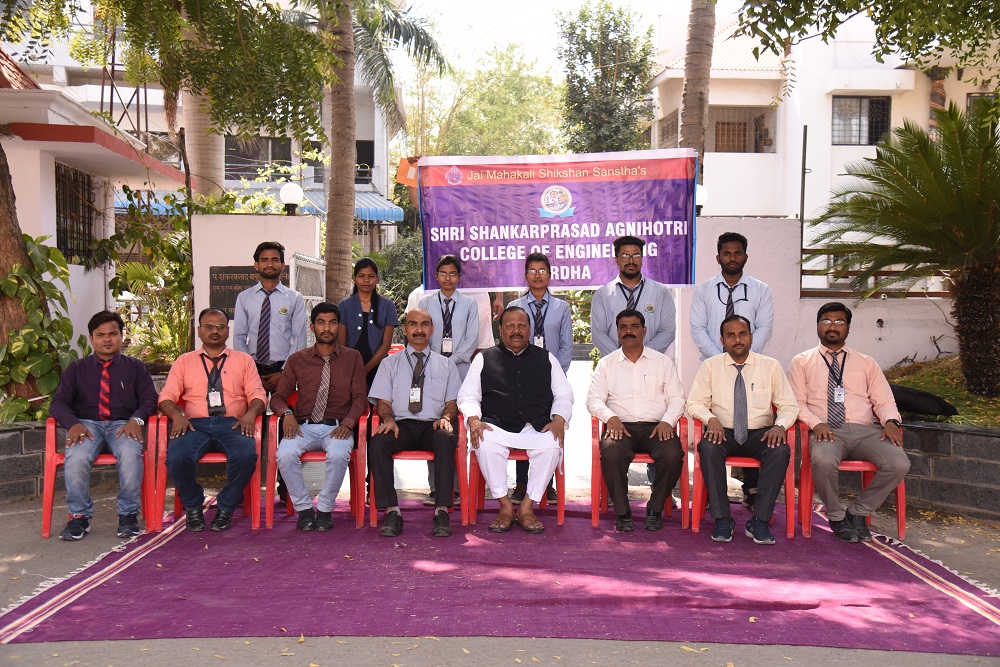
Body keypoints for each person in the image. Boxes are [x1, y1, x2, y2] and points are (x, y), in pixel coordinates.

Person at [788, 302, 909, 543]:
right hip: (826, 431)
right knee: (823, 460)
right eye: (826, 321)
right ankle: (836, 515)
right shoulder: (801, 361)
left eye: (839, 322)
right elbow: (796, 403)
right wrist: (816, 424)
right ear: (817, 326)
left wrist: (891, 421)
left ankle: (857, 512)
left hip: (865, 431)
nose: (832, 326)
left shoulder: (866, 362)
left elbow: (884, 400)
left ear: (848, 327)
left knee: (899, 463)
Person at [458, 307, 574, 534]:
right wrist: (473, 418)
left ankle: (527, 507)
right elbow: (468, 396)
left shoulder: (546, 358)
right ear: (500, 329)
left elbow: (564, 395)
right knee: (484, 442)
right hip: (497, 425)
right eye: (510, 326)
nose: (516, 331)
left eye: (521, 326)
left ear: (529, 329)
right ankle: (505, 506)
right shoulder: (484, 358)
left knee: (552, 444)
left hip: (535, 426)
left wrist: (559, 418)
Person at [686, 315, 798, 545]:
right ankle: (722, 519)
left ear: (751, 337)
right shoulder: (710, 366)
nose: (737, 339)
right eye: (730, 335)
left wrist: (780, 426)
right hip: (723, 431)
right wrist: (710, 419)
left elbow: (789, 406)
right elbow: (694, 403)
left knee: (780, 450)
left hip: (760, 433)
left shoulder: (770, 366)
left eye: (742, 334)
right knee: (708, 447)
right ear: (722, 340)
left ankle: (760, 521)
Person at [49, 311, 158, 540]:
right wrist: (73, 423)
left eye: (113, 334)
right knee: (76, 456)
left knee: (130, 454)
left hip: (124, 425)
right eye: (100, 335)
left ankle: (128, 515)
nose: (107, 339)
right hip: (87, 427)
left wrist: (136, 420)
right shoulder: (77, 369)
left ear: (121, 336)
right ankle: (79, 517)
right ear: (91, 338)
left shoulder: (136, 367)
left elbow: (150, 400)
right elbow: (58, 403)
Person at [159, 308, 267, 532]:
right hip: (194, 425)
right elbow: (166, 397)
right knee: (176, 457)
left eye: (220, 327)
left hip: (233, 423)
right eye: (208, 327)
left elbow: (258, 394)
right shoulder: (184, 361)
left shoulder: (244, 360)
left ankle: (226, 506)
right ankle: (193, 505)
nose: (214, 331)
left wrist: (250, 414)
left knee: (246, 456)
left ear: (228, 331)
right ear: (199, 330)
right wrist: (177, 416)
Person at [689, 231, 774, 511]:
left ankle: (752, 488)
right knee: (717, 425)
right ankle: (714, 493)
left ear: (745, 256)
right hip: (713, 366)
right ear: (718, 257)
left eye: (737, 253)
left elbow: (764, 327)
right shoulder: (704, 290)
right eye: (727, 253)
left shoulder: (761, 289)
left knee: (750, 420)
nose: (732, 258)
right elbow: (698, 328)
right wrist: (722, 359)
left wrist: (745, 355)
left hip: (751, 365)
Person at [271, 303, 368, 532]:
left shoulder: (353, 358)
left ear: (339, 326)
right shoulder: (297, 359)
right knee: (284, 454)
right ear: (312, 327)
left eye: (332, 323)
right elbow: (278, 398)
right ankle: (304, 509)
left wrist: (348, 423)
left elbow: (360, 398)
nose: (327, 328)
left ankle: (324, 509)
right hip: (303, 427)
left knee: (338, 454)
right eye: (321, 323)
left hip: (337, 427)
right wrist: (287, 414)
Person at [586, 309, 686, 532]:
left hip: (656, 427)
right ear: (617, 332)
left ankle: (655, 508)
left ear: (644, 330)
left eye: (634, 326)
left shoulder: (662, 362)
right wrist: (610, 418)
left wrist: (667, 421)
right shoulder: (606, 364)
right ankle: (622, 512)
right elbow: (593, 399)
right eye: (623, 327)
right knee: (611, 453)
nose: (628, 331)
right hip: (621, 427)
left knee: (672, 454)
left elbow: (677, 399)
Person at [367, 308, 463, 538]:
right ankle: (392, 511)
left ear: (432, 329)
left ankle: (441, 510)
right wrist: (388, 419)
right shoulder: (389, 364)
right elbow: (382, 402)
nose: (419, 329)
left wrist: (445, 418)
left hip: (433, 425)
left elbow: (452, 403)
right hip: (400, 425)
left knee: (446, 438)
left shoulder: (446, 365)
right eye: (413, 324)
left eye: (424, 324)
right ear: (405, 329)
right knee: (378, 442)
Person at [508, 252, 573, 504]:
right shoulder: (515, 307)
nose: (537, 275)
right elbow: (509, 341)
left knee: (549, 429)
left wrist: (555, 375)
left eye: (542, 270)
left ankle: (547, 485)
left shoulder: (561, 308)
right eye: (532, 271)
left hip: (551, 380)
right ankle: (521, 484)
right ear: (525, 275)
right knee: (522, 426)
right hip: (520, 376)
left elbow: (566, 346)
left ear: (549, 275)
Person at [418, 254, 479, 506]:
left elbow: (471, 339)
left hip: (461, 371)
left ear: (459, 277)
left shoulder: (469, 304)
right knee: (432, 424)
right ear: (436, 276)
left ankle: (457, 487)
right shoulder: (425, 302)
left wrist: (450, 360)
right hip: (431, 372)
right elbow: (421, 336)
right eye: (443, 273)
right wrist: (436, 362)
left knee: (458, 427)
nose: (448, 278)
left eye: (453, 274)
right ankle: (435, 488)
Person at [232, 241, 308, 393]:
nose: (270, 264)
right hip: (253, 369)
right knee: (254, 408)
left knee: (283, 407)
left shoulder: (295, 298)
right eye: (264, 260)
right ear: (256, 265)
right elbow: (239, 337)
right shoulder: (244, 297)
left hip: (283, 368)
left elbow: (299, 338)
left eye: (275, 260)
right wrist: (251, 371)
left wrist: (284, 371)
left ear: (283, 265)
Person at [591, 235, 676, 357]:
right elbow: (598, 335)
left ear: (642, 258)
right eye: (625, 256)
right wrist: (621, 357)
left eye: (636, 256)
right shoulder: (602, 295)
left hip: (652, 362)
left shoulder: (661, 292)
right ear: (616, 259)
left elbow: (668, 331)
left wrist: (643, 355)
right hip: (615, 364)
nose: (631, 261)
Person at [337, 258, 399, 390]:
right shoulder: (344, 306)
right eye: (361, 276)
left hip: (379, 368)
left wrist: (365, 370)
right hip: (349, 368)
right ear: (354, 278)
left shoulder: (387, 306)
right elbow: (341, 344)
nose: (366, 280)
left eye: (371, 276)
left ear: (377, 279)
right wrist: (354, 370)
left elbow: (386, 344)